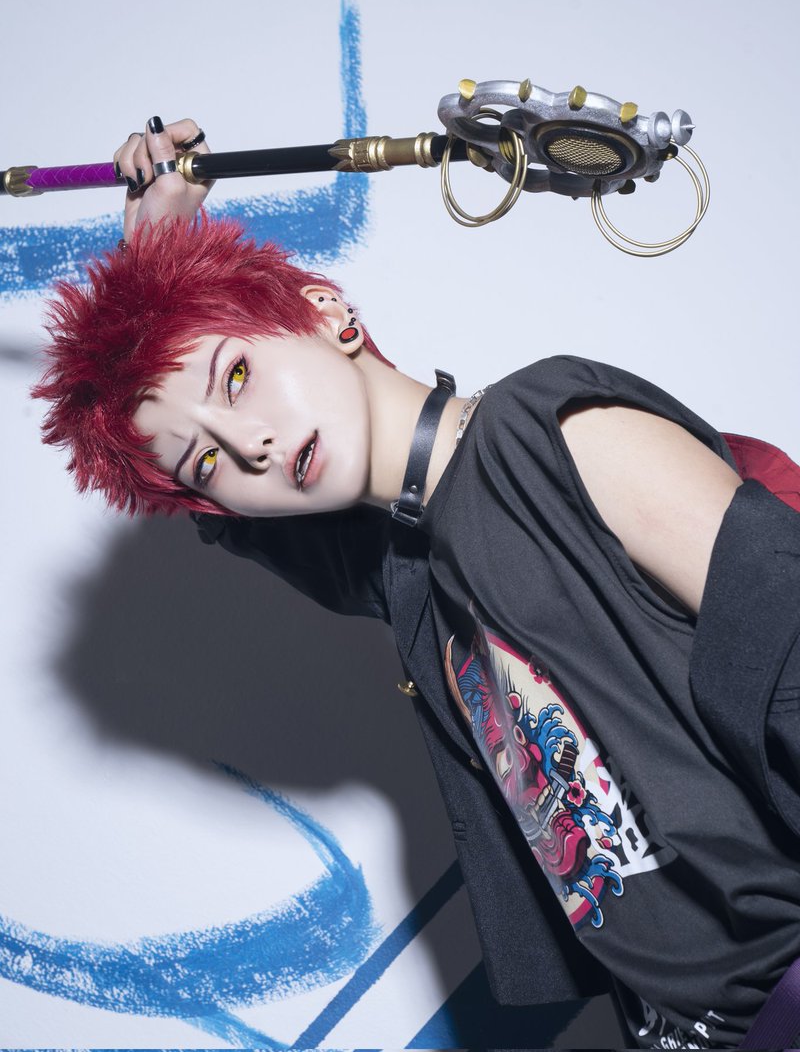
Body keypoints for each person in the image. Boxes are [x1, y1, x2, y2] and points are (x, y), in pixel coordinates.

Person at [33, 118, 800, 1049]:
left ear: (327, 313)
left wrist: (169, 272)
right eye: (205, 463)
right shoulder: (412, 584)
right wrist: (147, 259)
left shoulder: (546, 430)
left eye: (236, 377)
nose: (250, 445)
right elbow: (267, 529)